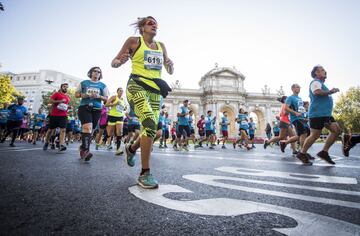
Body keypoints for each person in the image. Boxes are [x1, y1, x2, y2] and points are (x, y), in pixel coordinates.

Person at [111, 16, 174, 189]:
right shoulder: (133, 41)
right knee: (148, 121)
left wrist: (170, 64)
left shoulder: (161, 46)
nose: (154, 25)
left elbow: (169, 69)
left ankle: (131, 149)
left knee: (153, 131)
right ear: (142, 28)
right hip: (136, 85)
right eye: (149, 23)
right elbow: (114, 62)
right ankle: (145, 173)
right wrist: (119, 62)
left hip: (155, 91)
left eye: (156, 23)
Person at [297, 65, 341, 164]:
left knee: (336, 130)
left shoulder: (320, 83)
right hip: (317, 114)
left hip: (324, 114)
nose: (325, 71)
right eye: (322, 70)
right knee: (314, 135)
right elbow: (317, 92)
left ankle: (324, 152)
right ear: (316, 73)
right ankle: (302, 153)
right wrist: (331, 91)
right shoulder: (315, 82)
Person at [75, 66, 109, 161]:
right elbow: (76, 94)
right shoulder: (84, 83)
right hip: (84, 107)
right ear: (91, 72)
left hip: (97, 109)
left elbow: (106, 99)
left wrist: (99, 96)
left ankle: (84, 147)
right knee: (88, 128)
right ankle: (85, 151)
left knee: (91, 131)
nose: (97, 73)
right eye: (95, 71)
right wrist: (84, 95)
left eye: (99, 72)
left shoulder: (103, 85)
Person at [281, 84, 312, 164]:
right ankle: (303, 154)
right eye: (297, 87)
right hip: (296, 118)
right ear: (292, 88)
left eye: (299, 87)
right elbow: (286, 108)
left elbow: (301, 109)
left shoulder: (300, 98)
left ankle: (285, 142)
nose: (298, 88)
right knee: (303, 134)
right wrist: (295, 113)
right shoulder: (290, 98)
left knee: (302, 135)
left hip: (302, 119)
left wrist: (304, 116)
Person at [43, 83, 70, 152]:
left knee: (63, 130)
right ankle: (46, 142)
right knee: (50, 130)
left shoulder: (67, 97)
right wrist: (59, 101)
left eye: (67, 87)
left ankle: (61, 145)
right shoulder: (56, 94)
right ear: (61, 87)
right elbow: (51, 101)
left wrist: (68, 107)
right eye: (64, 87)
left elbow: (65, 105)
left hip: (64, 115)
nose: (65, 88)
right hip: (54, 115)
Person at [105, 87, 126, 155]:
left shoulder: (123, 100)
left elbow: (123, 108)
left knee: (119, 132)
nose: (121, 92)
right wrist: (114, 104)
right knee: (110, 133)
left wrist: (124, 108)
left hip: (120, 116)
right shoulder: (114, 97)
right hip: (112, 116)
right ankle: (104, 140)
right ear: (117, 92)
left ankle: (118, 149)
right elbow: (106, 104)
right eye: (120, 91)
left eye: (122, 91)